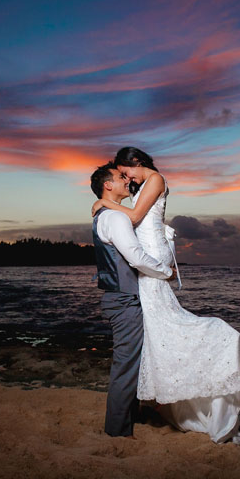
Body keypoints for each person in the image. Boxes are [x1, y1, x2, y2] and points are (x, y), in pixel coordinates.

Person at [91, 147, 240, 444]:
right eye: (121, 176)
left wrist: (102, 204)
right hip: (144, 264)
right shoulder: (136, 191)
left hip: (150, 260)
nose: (127, 178)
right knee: (155, 335)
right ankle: (142, 410)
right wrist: (105, 205)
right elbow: (130, 226)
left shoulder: (154, 179)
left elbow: (134, 216)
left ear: (136, 163)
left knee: (165, 328)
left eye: (125, 172)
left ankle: (212, 368)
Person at [90, 161, 175, 438]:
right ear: (108, 185)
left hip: (120, 298)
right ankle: (117, 431)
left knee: (132, 362)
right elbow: (136, 257)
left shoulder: (105, 215)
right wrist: (166, 272)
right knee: (126, 366)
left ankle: (129, 418)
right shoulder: (114, 218)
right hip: (124, 300)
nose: (126, 180)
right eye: (119, 177)